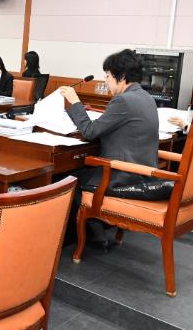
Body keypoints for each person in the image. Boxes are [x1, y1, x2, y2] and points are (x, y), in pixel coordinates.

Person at [60, 48, 159, 246]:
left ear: (121, 76)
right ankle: (98, 232)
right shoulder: (146, 97)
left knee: (66, 180)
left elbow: (89, 131)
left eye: (107, 76)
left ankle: (89, 236)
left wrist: (75, 101)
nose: (105, 80)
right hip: (143, 171)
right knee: (80, 173)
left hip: (124, 175)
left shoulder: (123, 100)